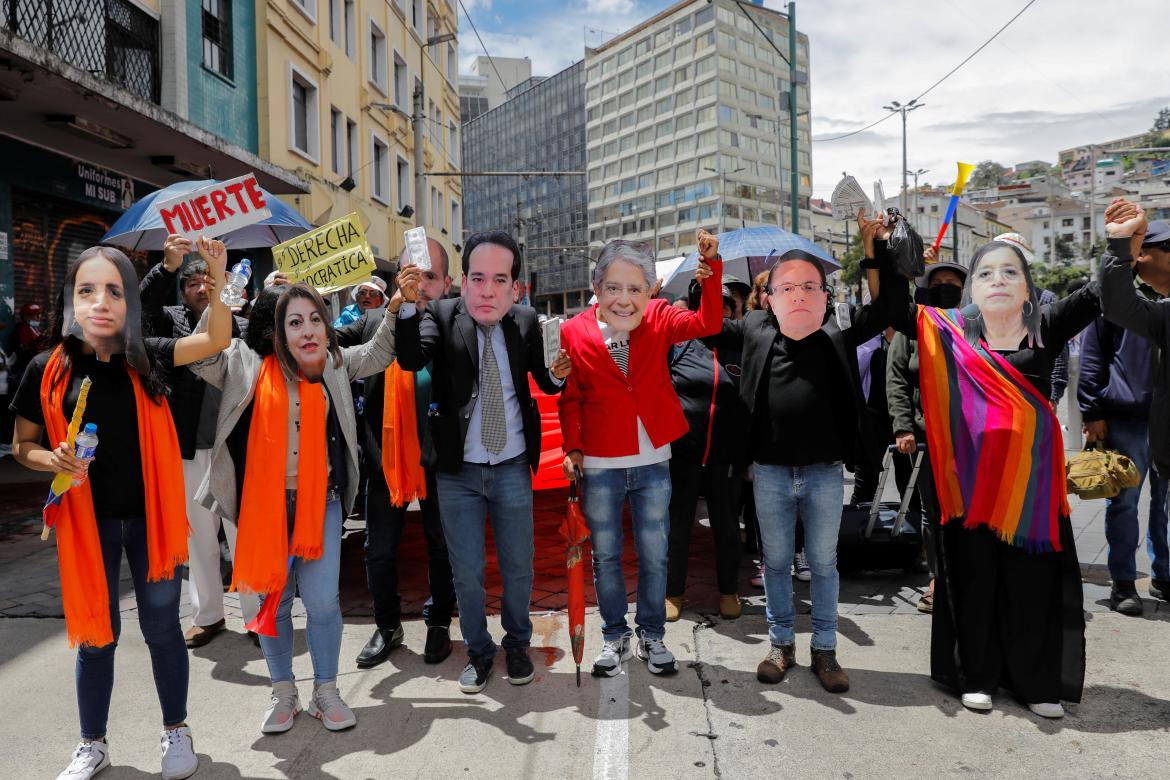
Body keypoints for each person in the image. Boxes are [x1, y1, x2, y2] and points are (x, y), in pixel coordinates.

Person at [10, 240, 234, 780]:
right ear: (72, 300)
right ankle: (93, 744)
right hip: (88, 524)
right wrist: (51, 456)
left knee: (161, 629)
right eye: (87, 290)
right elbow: (22, 445)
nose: (101, 301)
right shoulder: (47, 367)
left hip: (150, 522)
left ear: (130, 301)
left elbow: (216, 338)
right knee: (97, 635)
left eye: (114, 290)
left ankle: (176, 730)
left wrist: (219, 282)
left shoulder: (149, 354)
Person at [188, 277, 399, 735]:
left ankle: (326, 691)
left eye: (315, 321)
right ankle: (283, 692)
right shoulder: (245, 364)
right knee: (275, 604)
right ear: (278, 332)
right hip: (264, 508)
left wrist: (398, 305)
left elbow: (381, 352)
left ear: (327, 327)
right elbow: (201, 354)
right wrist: (223, 295)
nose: (307, 331)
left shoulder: (336, 363)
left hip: (320, 503)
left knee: (323, 603)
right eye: (294, 322)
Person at [711, 210, 909, 693]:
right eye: (786, 287)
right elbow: (708, 326)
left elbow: (887, 308)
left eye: (808, 287)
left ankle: (825, 650)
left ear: (823, 294)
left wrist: (872, 250)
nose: (798, 295)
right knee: (776, 563)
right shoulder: (755, 329)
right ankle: (781, 645)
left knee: (823, 564)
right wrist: (710, 270)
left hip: (823, 472)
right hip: (771, 473)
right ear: (769, 296)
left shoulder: (836, 330)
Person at [910, 235, 1100, 719]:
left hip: (1031, 489)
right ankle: (978, 676)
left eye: (1010, 271)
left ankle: (1035, 682)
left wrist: (1120, 248)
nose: (998, 279)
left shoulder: (1046, 325)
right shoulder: (950, 330)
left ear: (1028, 286)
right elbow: (893, 306)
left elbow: (1099, 293)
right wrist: (884, 251)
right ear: (970, 289)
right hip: (971, 485)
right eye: (986, 272)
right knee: (977, 580)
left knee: (1031, 583)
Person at [394, 230, 571, 694]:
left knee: (518, 566)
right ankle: (477, 650)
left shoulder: (527, 322)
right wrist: (409, 307)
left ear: (515, 286)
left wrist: (555, 377)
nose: (487, 290)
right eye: (477, 278)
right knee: (466, 570)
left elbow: (545, 384)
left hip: (512, 466)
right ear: (463, 282)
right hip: (458, 472)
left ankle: (516, 644)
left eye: (499, 279)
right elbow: (412, 358)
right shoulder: (441, 313)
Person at [559, 234, 722, 678]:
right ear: (597, 287)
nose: (624, 299)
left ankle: (652, 634)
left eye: (635, 289)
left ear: (650, 290)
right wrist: (572, 447)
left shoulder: (662, 317)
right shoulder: (572, 332)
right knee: (605, 555)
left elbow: (708, 323)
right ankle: (615, 635)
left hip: (654, 459)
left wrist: (712, 272)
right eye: (614, 287)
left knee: (655, 553)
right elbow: (569, 398)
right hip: (600, 463)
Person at [335, 239, 457, 668]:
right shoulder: (372, 322)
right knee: (379, 549)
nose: (419, 284)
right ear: (394, 279)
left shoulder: (454, 324)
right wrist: (295, 294)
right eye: (410, 273)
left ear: (447, 283)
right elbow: (318, 338)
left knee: (441, 545)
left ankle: (439, 621)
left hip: (438, 460)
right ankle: (388, 626)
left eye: (429, 276)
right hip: (383, 459)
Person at [140, 237, 260, 648]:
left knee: (243, 533)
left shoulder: (240, 325)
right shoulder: (169, 321)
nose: (201, 287)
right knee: (199, 536)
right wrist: (167, 266)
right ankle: (208, 616)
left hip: (234, 446)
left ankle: (257, 618)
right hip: (189, 446)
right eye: (192, 282)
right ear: (183, 290)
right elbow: (141, 309)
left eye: (209, 280)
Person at [1078, 218, 1170, 616]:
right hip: (1127, 418)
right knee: (1125, 504)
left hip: (1161, 421)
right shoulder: (1117, 303)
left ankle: (1164, 578)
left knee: (1164, 505)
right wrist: (1093, 409)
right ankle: (1123, 583)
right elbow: (1093, 357)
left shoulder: (1160, 306)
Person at [886, 257, 967, 613]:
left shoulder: (976, 324)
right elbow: (897, 378)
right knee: (933, 513)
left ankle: (968, 577)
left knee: (969, 510)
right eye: (938, 283)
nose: (946, 288)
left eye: (953, 283)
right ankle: (937, 578)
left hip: (970, 436)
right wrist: (903, 426)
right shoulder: (913, 327)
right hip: (927, 435)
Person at [664, 276, 744, 623]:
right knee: (677, 526)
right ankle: (673, 593)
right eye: (713, 307)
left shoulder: (740, 347)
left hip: (725, 459)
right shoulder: (681, 344)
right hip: (682, 455)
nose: (720, 313)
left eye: (726, 307)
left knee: (727, 528)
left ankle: (729, 591)